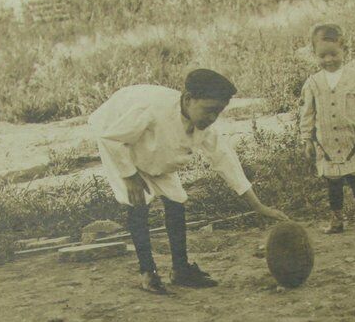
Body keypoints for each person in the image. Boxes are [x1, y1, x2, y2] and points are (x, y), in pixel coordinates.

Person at [89, 69, 290, 294]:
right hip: (118, 139)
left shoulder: (203, 125)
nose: (213, 118)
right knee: (139, 201)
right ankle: (148, 273)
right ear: (187, 99)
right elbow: (111, 139)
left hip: (155, 150)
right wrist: (130, 176)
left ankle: (180, 270)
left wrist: (257, 205)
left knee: (176, 200)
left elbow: (225, 161)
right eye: (209, 110)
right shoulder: (150, 111)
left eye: (218, 112)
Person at [299, 23, 355, 235]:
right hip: (327, 144)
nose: (328, 60)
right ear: (315, 55)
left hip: (351, 142)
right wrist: (307, 139)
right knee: (333, 183)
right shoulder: (313, 83)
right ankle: (336, 220)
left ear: (344, 50)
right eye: (322, 55)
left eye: (334, 54)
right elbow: (307, 113)